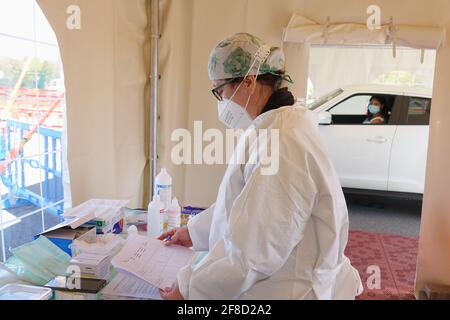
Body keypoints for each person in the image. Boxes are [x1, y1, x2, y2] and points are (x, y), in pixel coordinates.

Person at [159, 33, 363, 300]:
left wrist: (189, 290)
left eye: (219, 91)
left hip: (289, 289)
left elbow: (252, 253)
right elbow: (240, 203)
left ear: (248, 82)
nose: (220, 102)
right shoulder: (276, 125)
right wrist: (195, 232)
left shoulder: (281, 143)